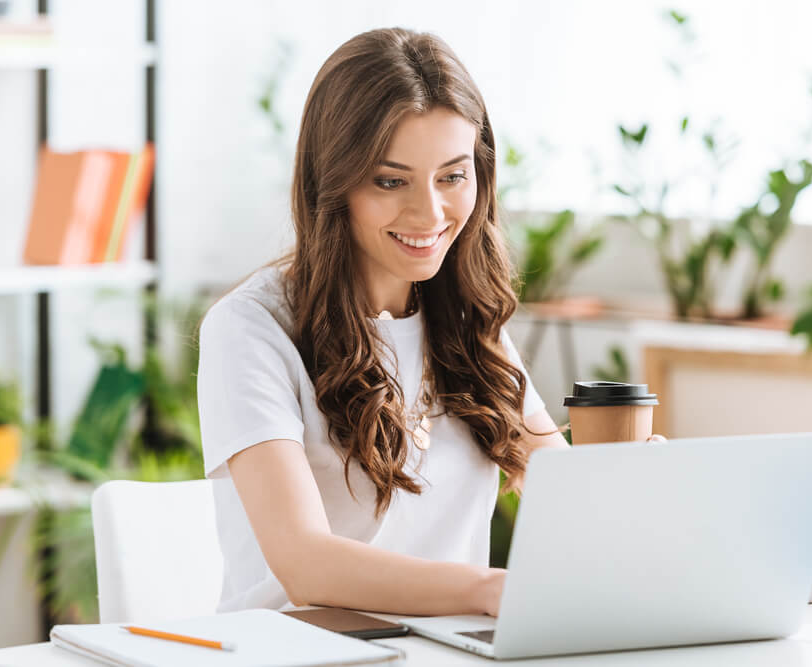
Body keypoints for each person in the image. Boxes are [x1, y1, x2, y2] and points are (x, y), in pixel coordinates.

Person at [198, 27, 633, 619]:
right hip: (300, 653)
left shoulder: (466, 321)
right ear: (333, 182)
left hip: (451, 651)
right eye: (390, 180)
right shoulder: (252, 330)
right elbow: (305, 565)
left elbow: (565, 496)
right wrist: (488, 591)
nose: (430, 213)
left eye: (452, 177)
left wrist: (634, 491)